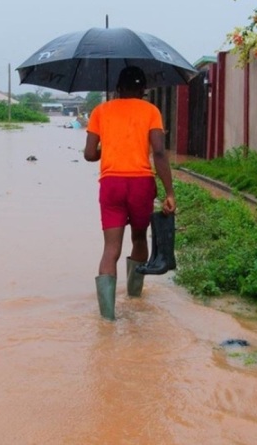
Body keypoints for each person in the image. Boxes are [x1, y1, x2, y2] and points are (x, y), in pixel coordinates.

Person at [83, 66, 177, 321]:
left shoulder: (100, 111)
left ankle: (107, 318)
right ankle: (134, 298)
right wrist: (169, 192)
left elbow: (89, 154)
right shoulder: (151, 111)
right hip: (140, 184)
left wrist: (110, 148)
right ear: (143, 90)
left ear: (118, 89)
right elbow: (158, 152)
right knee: (138, 239)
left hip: (111, 184)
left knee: (110, 248)